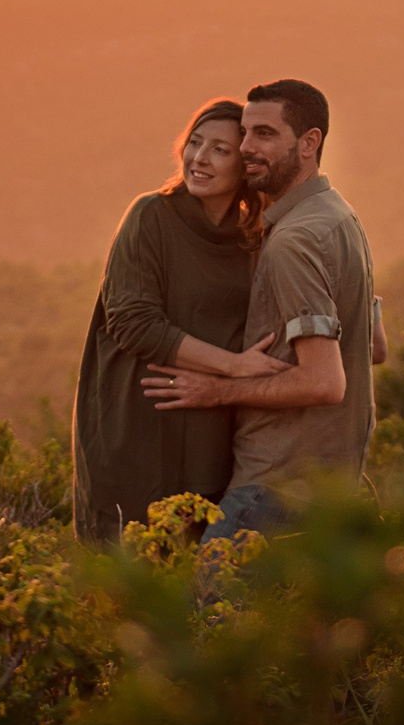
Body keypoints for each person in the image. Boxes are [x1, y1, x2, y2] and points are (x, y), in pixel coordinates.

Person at [144, 78, 378, 539]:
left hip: (275, 482)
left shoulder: (294, 241)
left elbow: (324, 382)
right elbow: (376, 345)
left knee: (209, 604)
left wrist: (217, 391)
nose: (247, 146)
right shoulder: (340, 217)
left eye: (265, 134)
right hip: (332, 481)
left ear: (310, 143)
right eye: (246, 133)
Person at [71, 98, 288, 542]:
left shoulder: (251, 237)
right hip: (139, 420)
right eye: (194, 142)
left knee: (195, 565)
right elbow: (132, 322)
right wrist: (234, 366)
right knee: (130, 563)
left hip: (209, 427)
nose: (199, 158)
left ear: (244, 166)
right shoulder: (150, 216)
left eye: (220, 150)